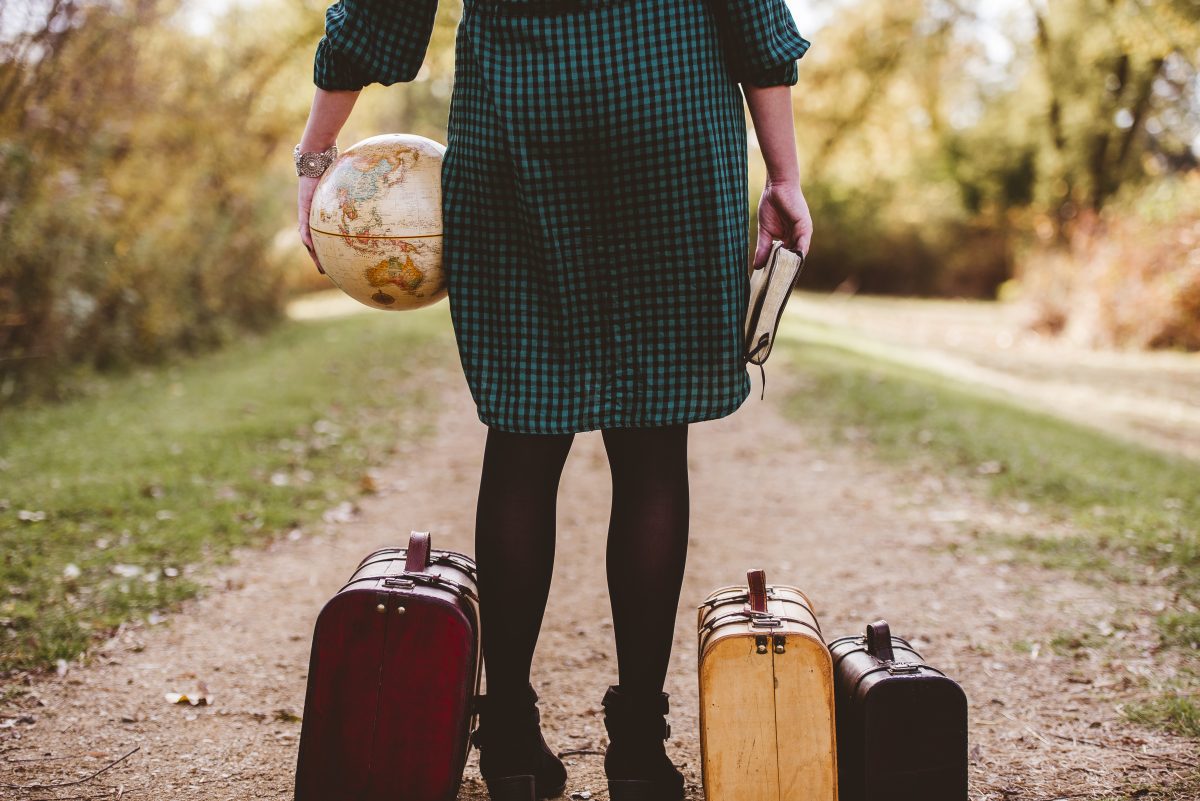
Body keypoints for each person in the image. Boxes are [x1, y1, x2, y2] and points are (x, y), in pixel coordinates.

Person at [295, 1, 813, 799]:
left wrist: (316, 154)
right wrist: (783, 175)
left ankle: (507, 738)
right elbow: (754, 18)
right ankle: (638, 751)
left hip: (517, 111)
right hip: (669, 105)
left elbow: (378, 13)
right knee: (652, 447)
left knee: (523, 435)